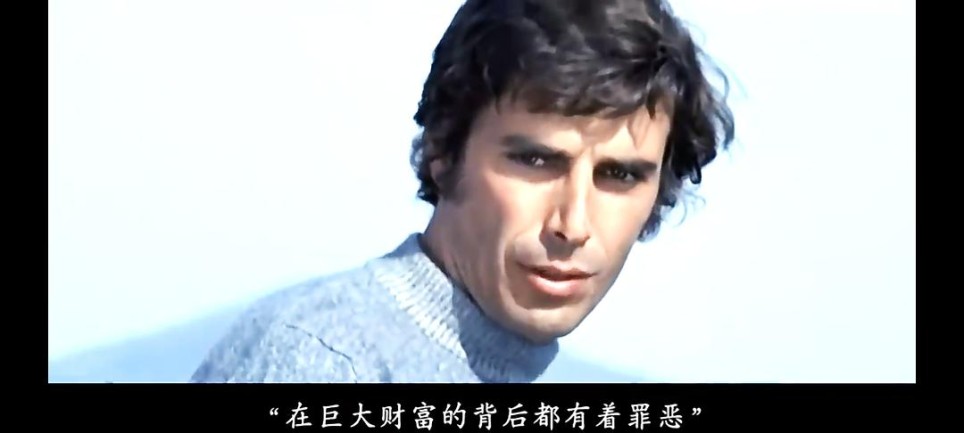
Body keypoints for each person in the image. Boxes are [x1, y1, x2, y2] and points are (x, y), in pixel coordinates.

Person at [190, 0, 735, 383]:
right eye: (536, 161)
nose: (573, 224)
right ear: (444, 152)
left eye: (619, 176)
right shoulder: (325, 362)